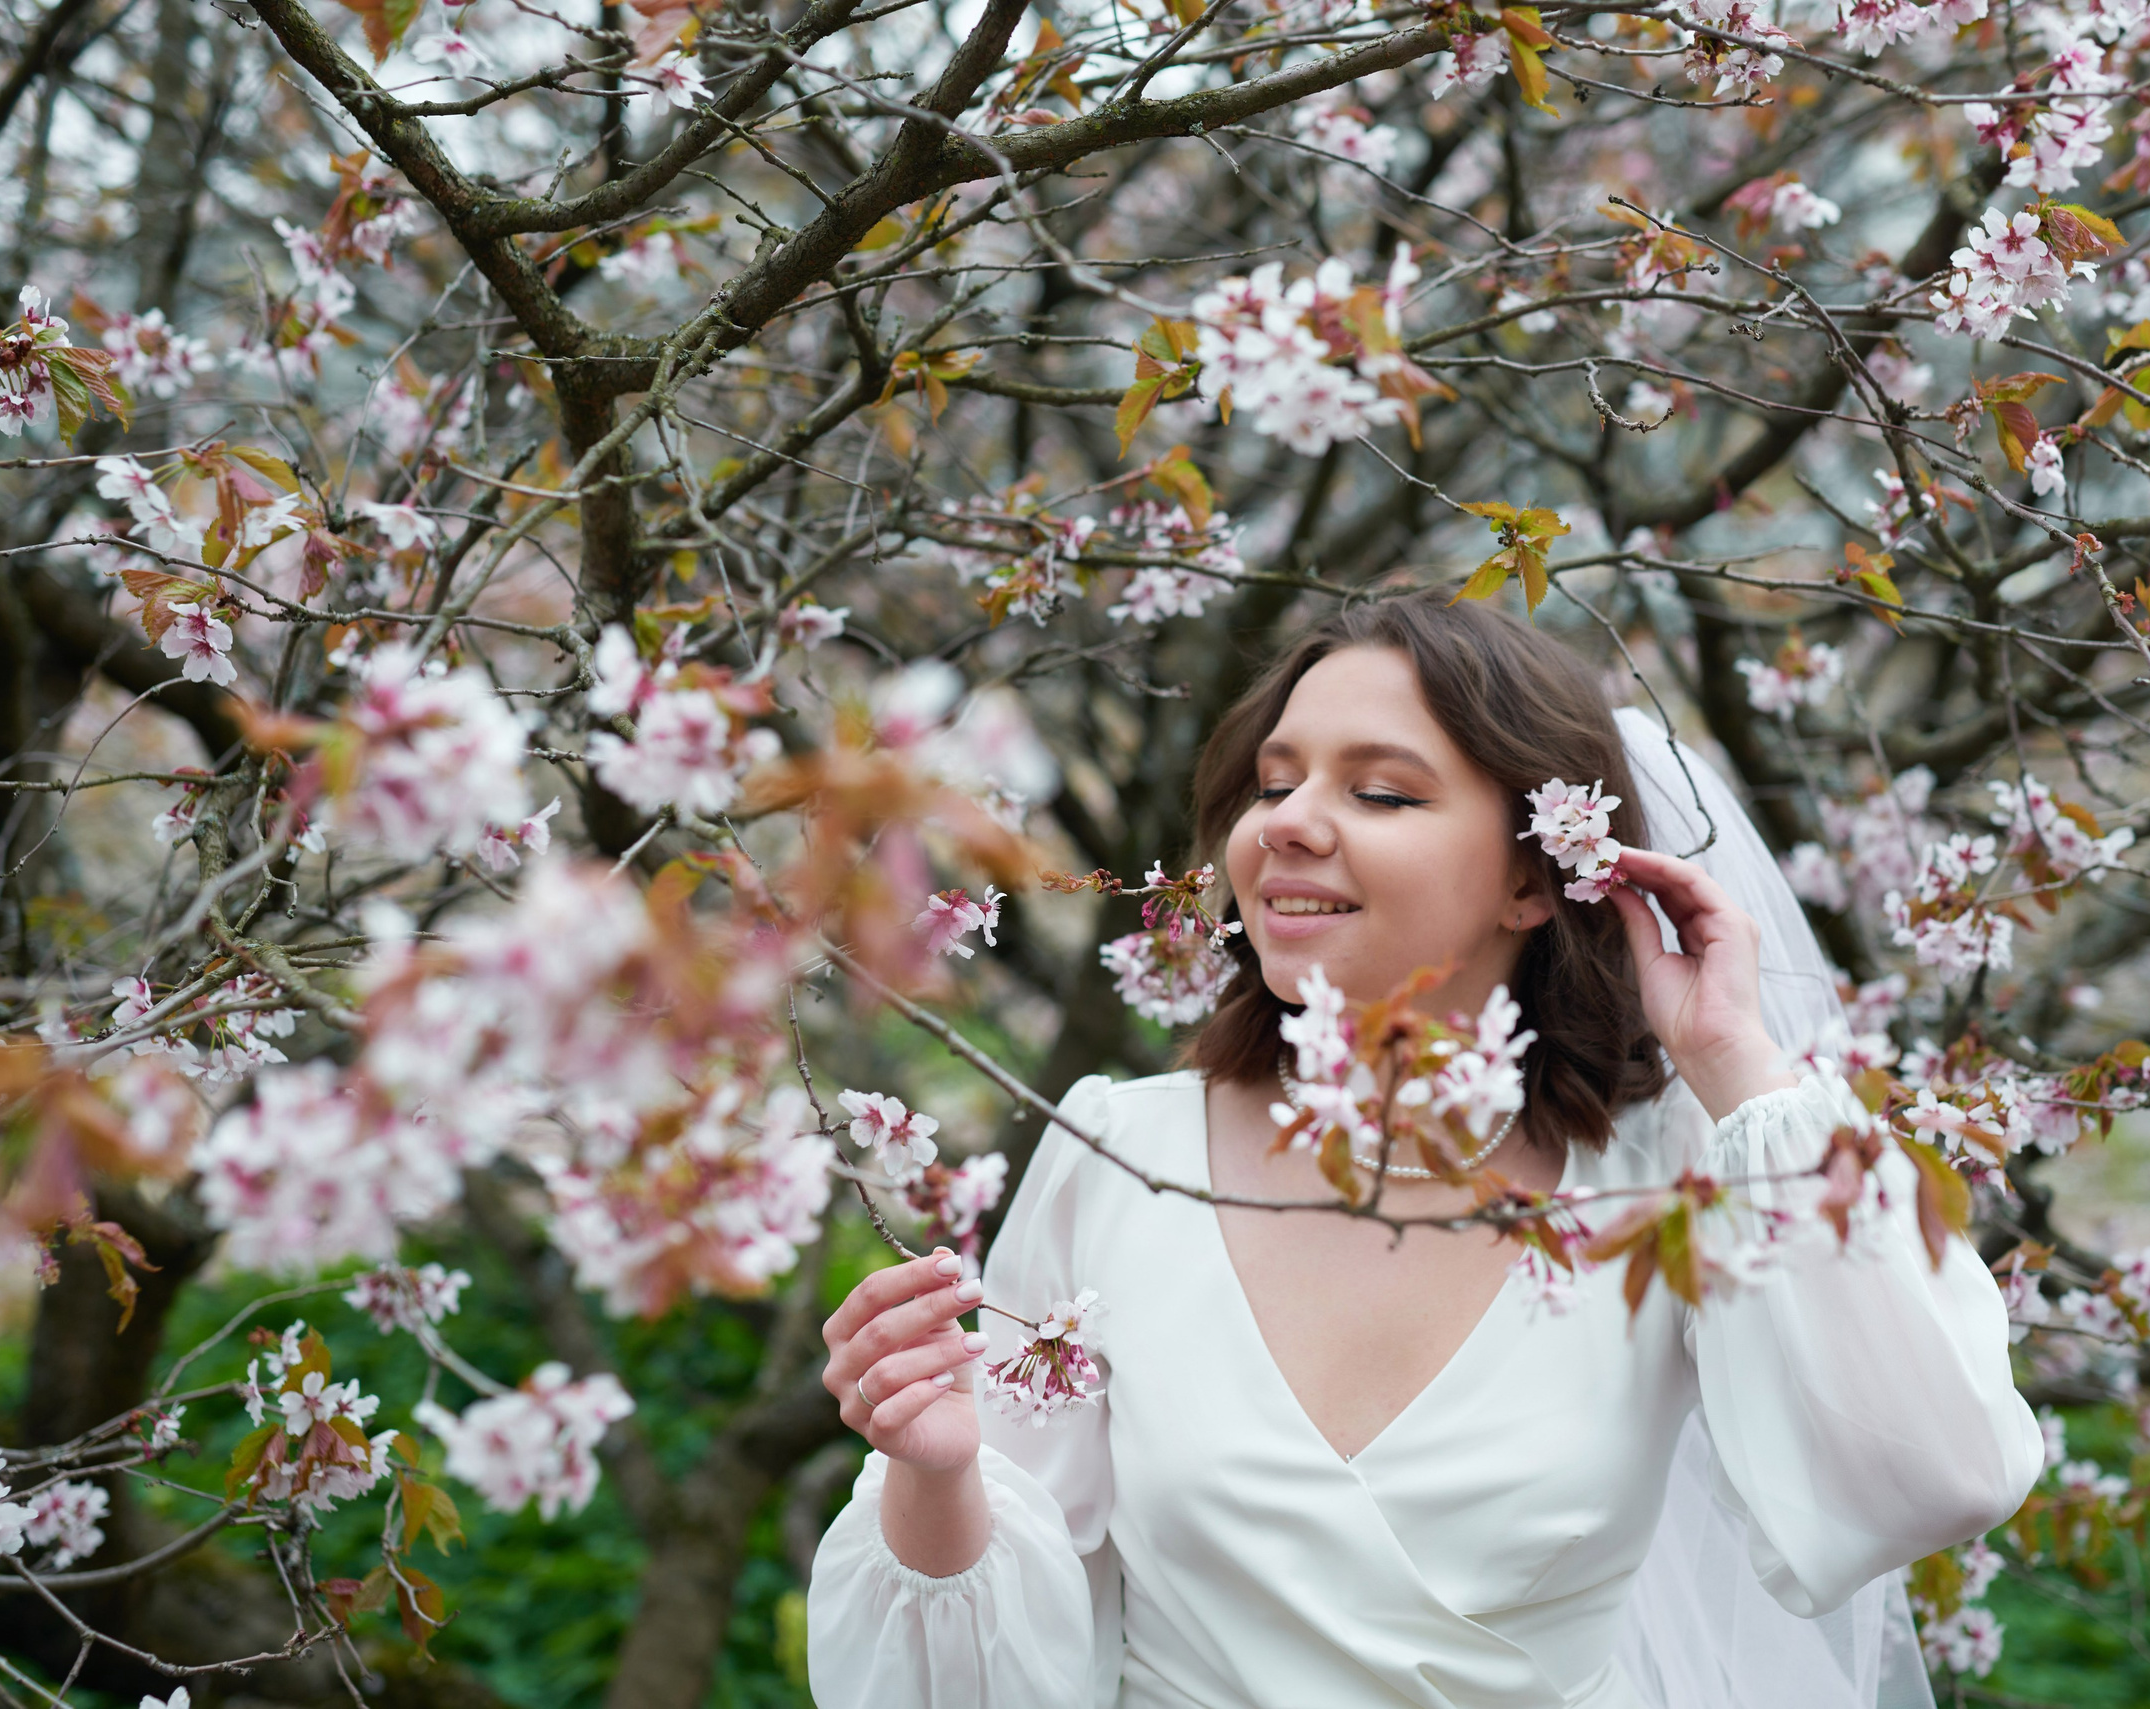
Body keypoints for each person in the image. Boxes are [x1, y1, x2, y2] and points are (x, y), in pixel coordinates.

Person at [804, 591, 2043, 1708]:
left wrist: (1732, 1059)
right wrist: (934, 1474)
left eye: (1381, 791)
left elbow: (1930, 1473)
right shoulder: (1121, 1152)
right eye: (1273, 781)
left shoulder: (1666, 1178)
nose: (1287, 823)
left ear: (1531, 879)